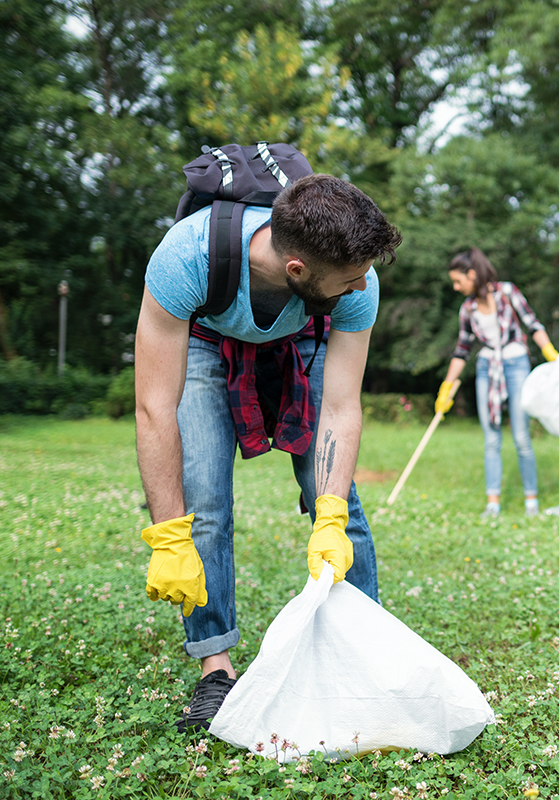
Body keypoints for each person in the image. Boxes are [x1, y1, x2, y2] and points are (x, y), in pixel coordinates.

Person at [134, 174, 403, 732]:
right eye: (351, 280)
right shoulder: (187, 258)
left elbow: (341, 407)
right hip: (207, 341)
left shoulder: (357, 284)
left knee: (339, 505)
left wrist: (325, 512)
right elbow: (155, 407)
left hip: (303, 337)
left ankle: (364, 656)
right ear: (297, 269)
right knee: (203, 503)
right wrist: (166, 533)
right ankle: (216, 669)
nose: (363, 286)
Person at [435, 247, 559, 518]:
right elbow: (462, 350)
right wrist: (447, 387)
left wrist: (551, 354)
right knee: (491, 439)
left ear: (472, 274)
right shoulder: (468, 308)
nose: (456, 286)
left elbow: (532, 323)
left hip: (517, 363)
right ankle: (493, 503)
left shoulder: (508, 292)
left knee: (521, 437)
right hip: (487, 367)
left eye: (458, 280)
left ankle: (531, 500)